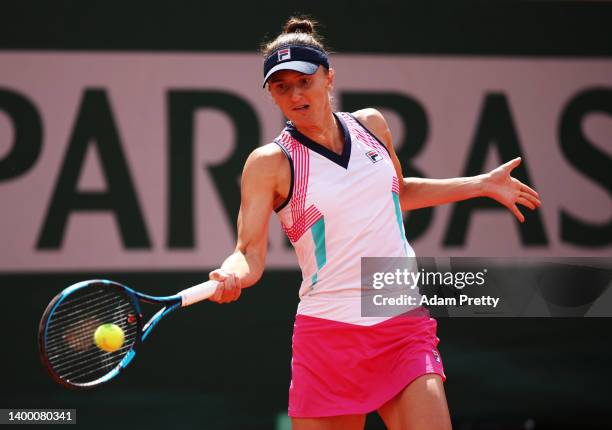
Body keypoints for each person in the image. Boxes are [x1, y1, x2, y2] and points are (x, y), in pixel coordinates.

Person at [206, 17, 541, 430]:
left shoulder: (371, 126)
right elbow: (248, 252)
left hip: (401, 320)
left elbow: (399, 192)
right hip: (328, 334)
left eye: (305, 81)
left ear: (329, 78)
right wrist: (231, 273)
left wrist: (480, 184)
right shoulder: (269, 164)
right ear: (272, 96)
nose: (295, 94)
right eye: (281, 87)